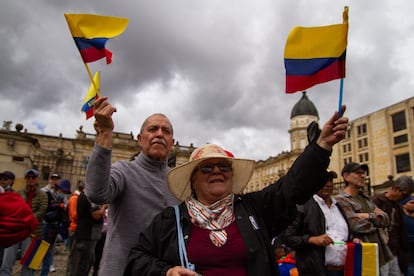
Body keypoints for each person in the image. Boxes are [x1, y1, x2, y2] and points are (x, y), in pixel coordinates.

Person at [124, 107, 349, 276]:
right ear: (193, 179)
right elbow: (136, 259)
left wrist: (321, 147)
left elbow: (292, 188)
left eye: (223, 166)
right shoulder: (170, 220)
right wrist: (167, 272)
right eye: (206, 167)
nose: (216, 171)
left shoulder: (255, 208)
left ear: (231, 174)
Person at [85, 96, 179, 276]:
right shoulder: (124, 170)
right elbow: (96, 193)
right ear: (140, 139)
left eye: (165, 131)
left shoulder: (178, 180)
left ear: (172, 143)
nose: (159, 134)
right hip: (121, 270)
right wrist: (105, 134)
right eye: (153, 129)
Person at [280, 171, 354, 276]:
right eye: (323, 181)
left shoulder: (338, 206)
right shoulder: (302, 206)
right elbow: (287, 237)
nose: (328, 184)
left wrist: (353, 240)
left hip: (344, 270)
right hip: (316, 270)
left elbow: (343, 235)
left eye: (330, 181)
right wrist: (311, 239)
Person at [335, 162, 393, 275]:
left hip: (380, 254)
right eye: (358, 173)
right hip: (361, 256)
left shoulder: (366, 198)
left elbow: (386, 220)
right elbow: (356, 226)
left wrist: (368, 216)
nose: (362, 176)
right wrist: (377, 219)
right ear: (346, 176)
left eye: (363, 173)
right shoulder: (341, 200)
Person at [0, 169, 48, 276]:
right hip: (16, 231)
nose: (30, 180)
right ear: (25, 179)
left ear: (37, 179)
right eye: (28, 177)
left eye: (33, 177)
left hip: (33, 232)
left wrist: (26, 220)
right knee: (7, 262)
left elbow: (41, 211)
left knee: (28, 264)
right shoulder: (18, 193)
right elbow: (13, 209)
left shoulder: (42, 195)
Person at [372, 175, 414, 275]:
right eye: (404, 195)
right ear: (395, 189)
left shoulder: (397, 206)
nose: (404, 198)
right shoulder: (376, 202)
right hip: (382, 254)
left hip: (395, 254)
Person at [68, 190, 107, 276]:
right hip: (87, 236)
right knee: (81, 266)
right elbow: (96, 215)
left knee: (82, 265)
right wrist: (104, 207)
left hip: (87, 235)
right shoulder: (90, 196)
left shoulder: (88, 195)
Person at [40, 179, 71, 276]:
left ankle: (44, 272)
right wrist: (58, 206)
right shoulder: (48, 194)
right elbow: (46, 208)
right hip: (46, 225)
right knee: (41, 249)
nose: (63, 194)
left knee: (50, 251)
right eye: (62, 191)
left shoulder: (63, 198)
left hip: (55, 225)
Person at [66, 181, 85, 276]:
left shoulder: (78, 198)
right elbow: (74, 215)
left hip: (78, 228)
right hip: (74, 228)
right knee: (73, 256)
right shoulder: (74, 199)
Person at [400, 196, 414, 275]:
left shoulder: (411, 219)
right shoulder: (402, 219)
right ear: (403, 205)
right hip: (408, 258)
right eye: (411, 203)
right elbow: (405, 237)